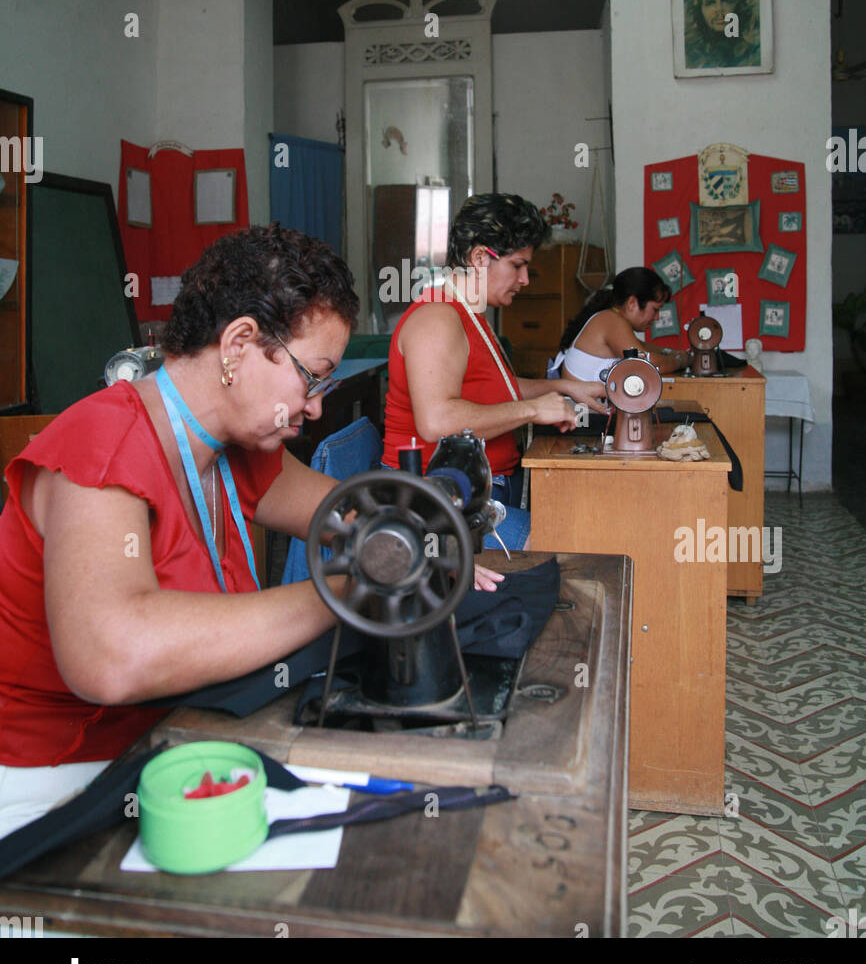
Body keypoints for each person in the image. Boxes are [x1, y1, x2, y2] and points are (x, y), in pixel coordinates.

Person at [0, 224, 504, 839]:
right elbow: (112, 657)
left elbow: (354, 515)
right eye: (312, 377)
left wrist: (414, 541)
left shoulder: (237, 449)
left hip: (180, 741)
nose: (316, 406)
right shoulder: (101, 447)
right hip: (54, 787)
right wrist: (352, 588)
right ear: (240, 343)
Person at [381, 194, 607, 530]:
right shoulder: (438, 319)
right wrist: (533, 410)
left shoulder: (471, 313)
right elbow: (437, 420)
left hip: (478, 487)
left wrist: (562, 386)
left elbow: (494, 389)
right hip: (439, 498)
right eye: (517, 265)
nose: (525, 279)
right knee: (569, 544)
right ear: (478, 257)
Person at [550, 267, 690, 379]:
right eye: (654, 309)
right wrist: (680, 360)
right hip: (584, 413)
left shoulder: (610, 319)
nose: (657, 317)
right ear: (632, 303)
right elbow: (645, 364)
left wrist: (669, 352)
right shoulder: (611, 320)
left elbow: (642, 347)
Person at [684, 0, 761, 70]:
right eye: (711, 3)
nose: (719, 10)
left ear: (740, 8)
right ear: (700, 11)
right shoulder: (690, 56)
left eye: (727, 2)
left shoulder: (755, 54)